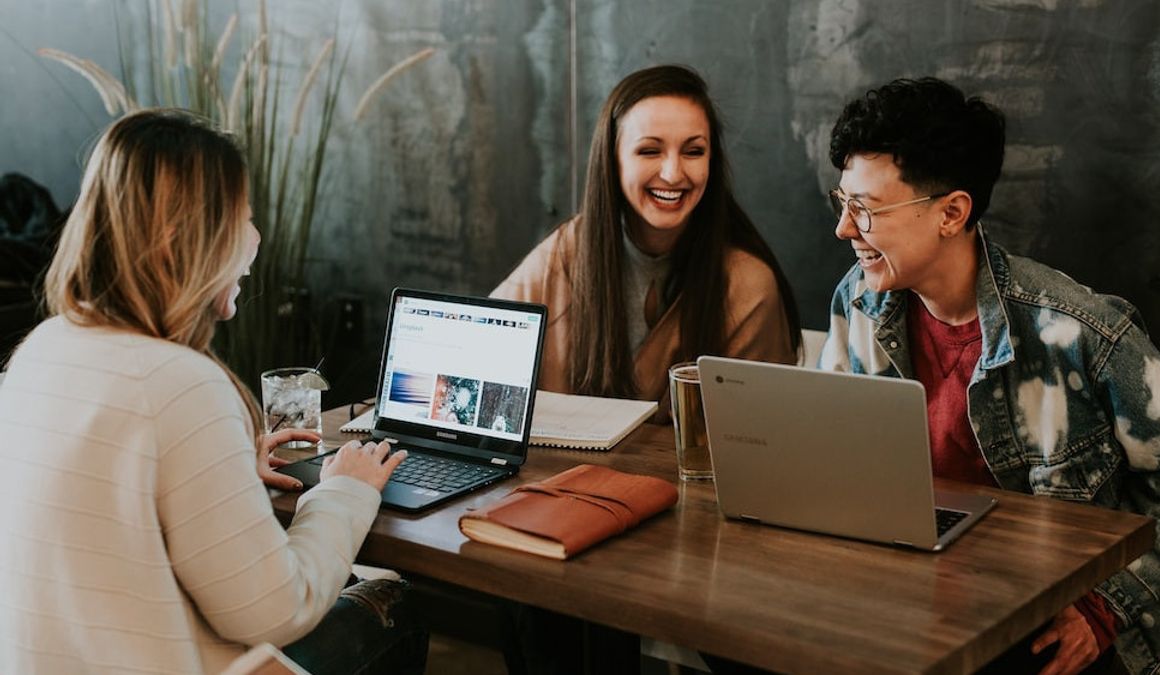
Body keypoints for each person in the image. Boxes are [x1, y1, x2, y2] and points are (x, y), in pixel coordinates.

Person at [0, 109, 427, 674]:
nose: (255, 238)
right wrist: (342, 492)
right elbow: (277, 612)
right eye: (243, 217)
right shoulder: (180, 384)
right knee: (398, 604)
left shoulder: (41, 349)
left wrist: (219, 470)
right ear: (186, 238)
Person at [818, 77, 1160, 675]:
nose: (844, 229)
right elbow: (834, 458)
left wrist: (1104, 610)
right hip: (917, 594)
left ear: (951, 213)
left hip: (1053, 614)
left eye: (864, 209)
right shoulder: (859, 302)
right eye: (841, 202)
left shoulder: (1079, 332)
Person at [493, 64, 801, 420]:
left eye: (693, 151)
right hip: (562, 475)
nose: (673, 173)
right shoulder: (566, 252)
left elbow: (761, 438)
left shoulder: (748, 285)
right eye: (650, 151)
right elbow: (477, 353)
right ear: (613, 160)